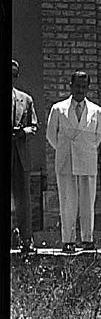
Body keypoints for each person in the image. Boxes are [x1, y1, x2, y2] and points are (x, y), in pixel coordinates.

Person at [46, 70, 101, 253]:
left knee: (88, 201)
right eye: (77, 85)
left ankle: (87, 238)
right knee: (68, 200)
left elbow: (98, 137)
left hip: (87, 158)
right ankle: (68, 240)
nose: (80, 89)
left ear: (88, 88)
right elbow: (50, 136)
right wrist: (66, 149)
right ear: (70, 86)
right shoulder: (58, 108)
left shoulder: (96, 110)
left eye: (84, 86)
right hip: (66, 159)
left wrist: (84, 148)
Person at [12, 59, 38, 254]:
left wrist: (23, 132)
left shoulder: (25, 99)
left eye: (13, 75)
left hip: (20, 153)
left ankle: (26, 240)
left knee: (23, 198)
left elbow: (34, 126)